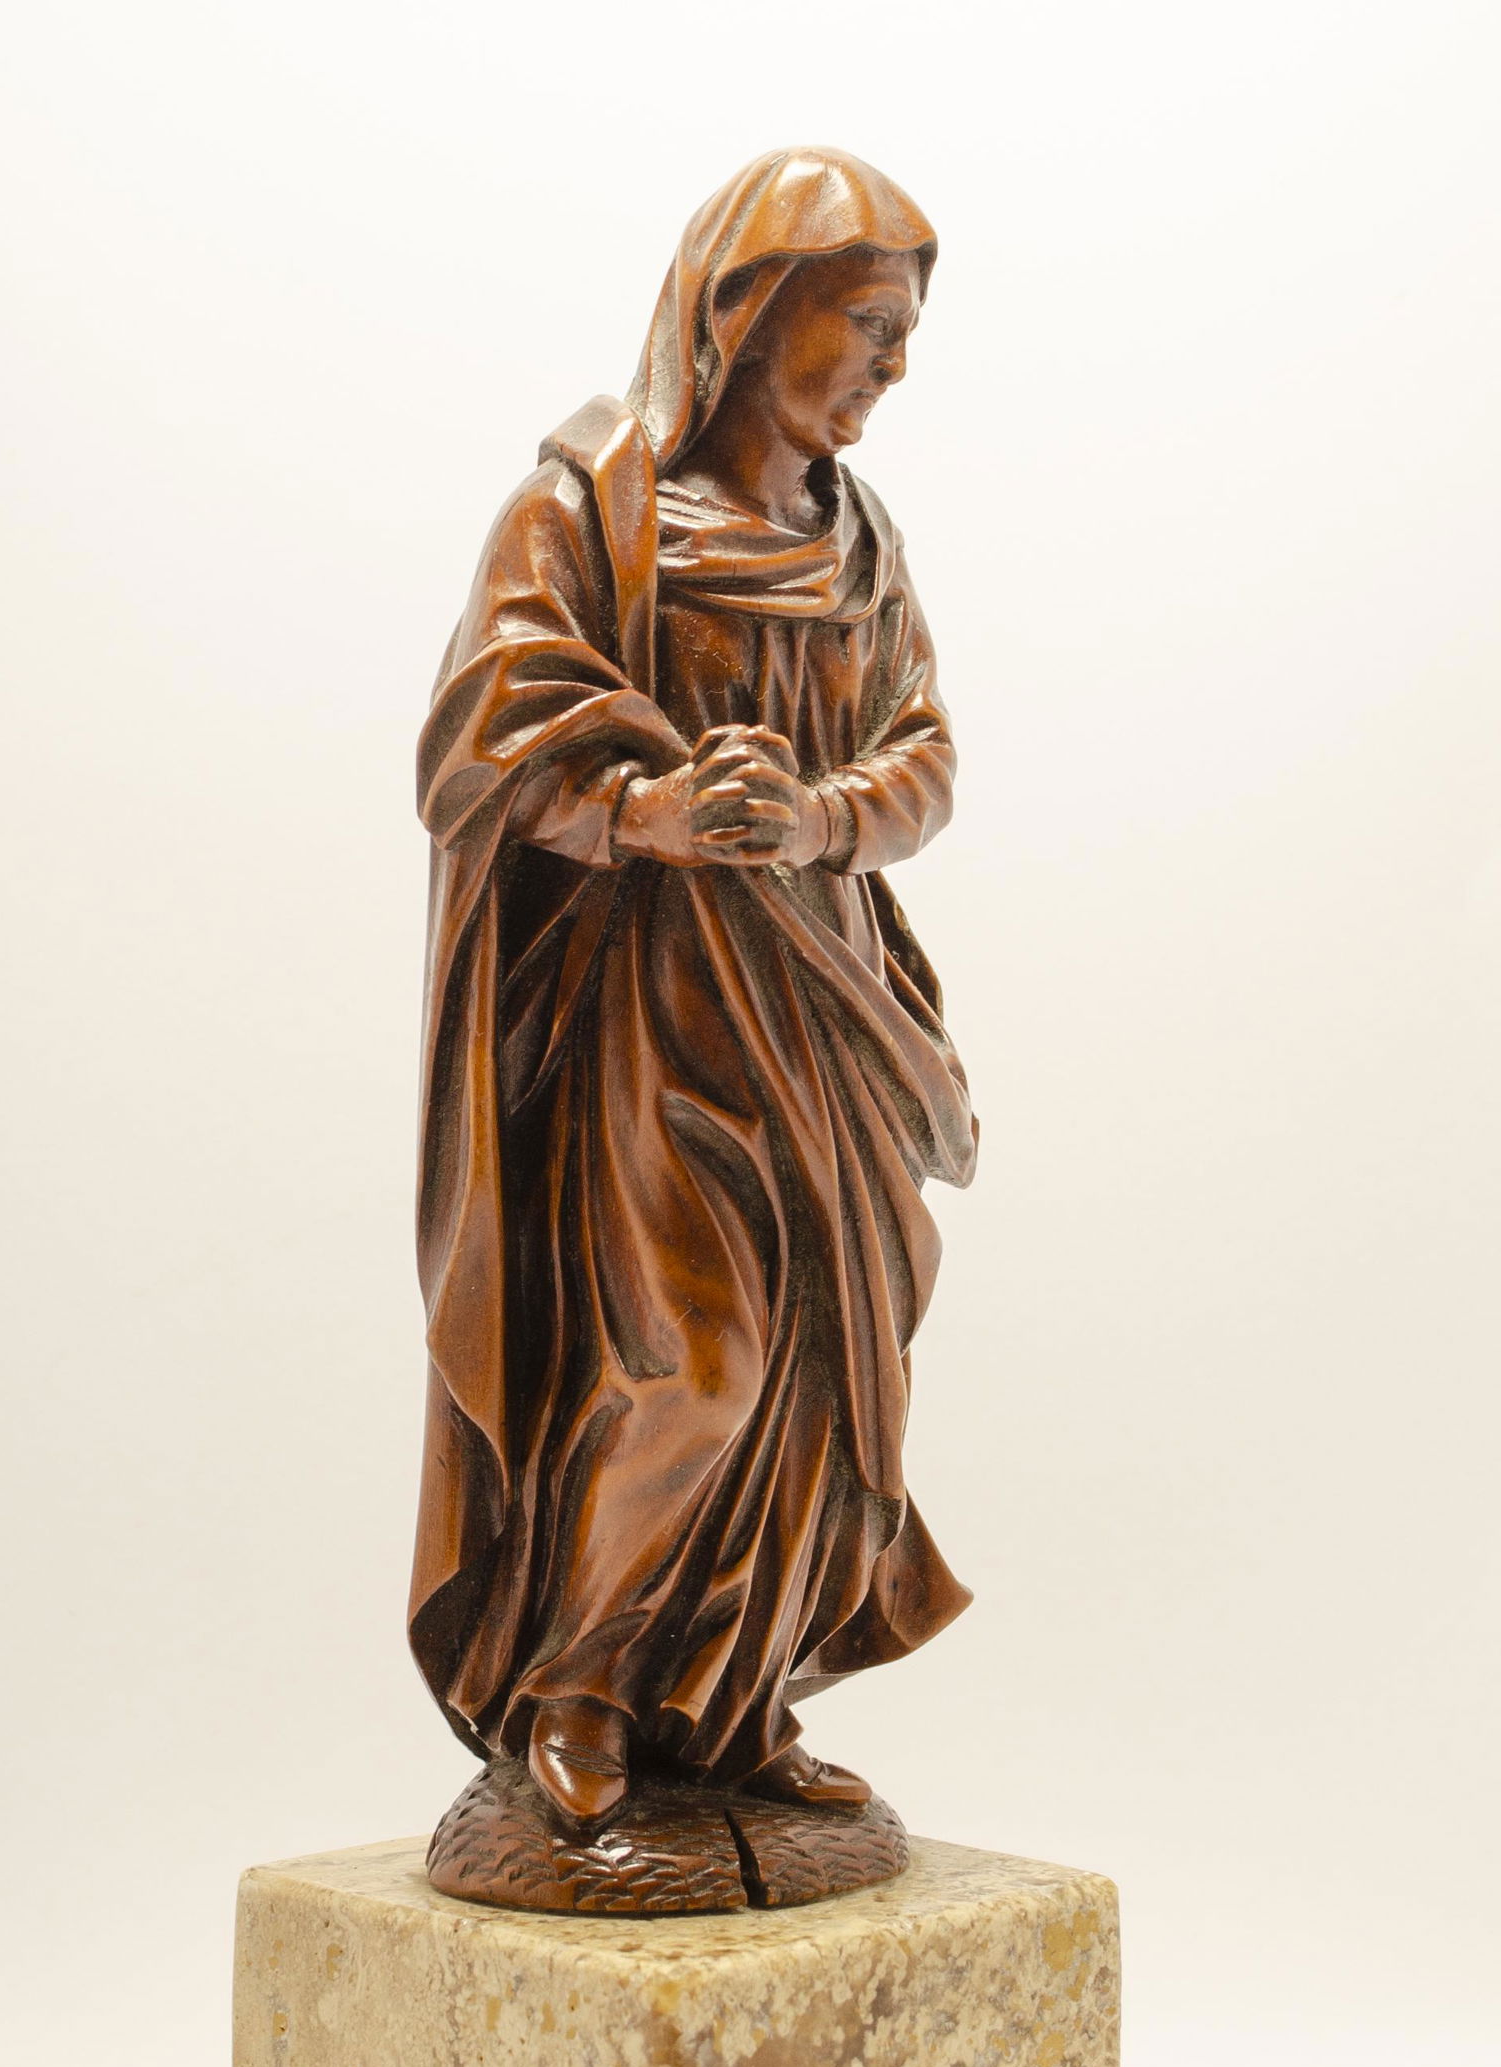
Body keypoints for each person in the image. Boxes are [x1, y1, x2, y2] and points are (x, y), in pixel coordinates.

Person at [412, 147, 978, 1834]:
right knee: (693, 1360)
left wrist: (818, 816)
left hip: (820, 1012)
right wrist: (647, 811)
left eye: (905, 333)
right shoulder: (585, 512)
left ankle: (727, 1700)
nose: (894, 365)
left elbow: (925, 758)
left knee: (830, 1362)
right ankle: (580, 1683)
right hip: (648, 1021)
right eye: (868, 323)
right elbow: (477, 743)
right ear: (748, 310)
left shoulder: (854, 539)